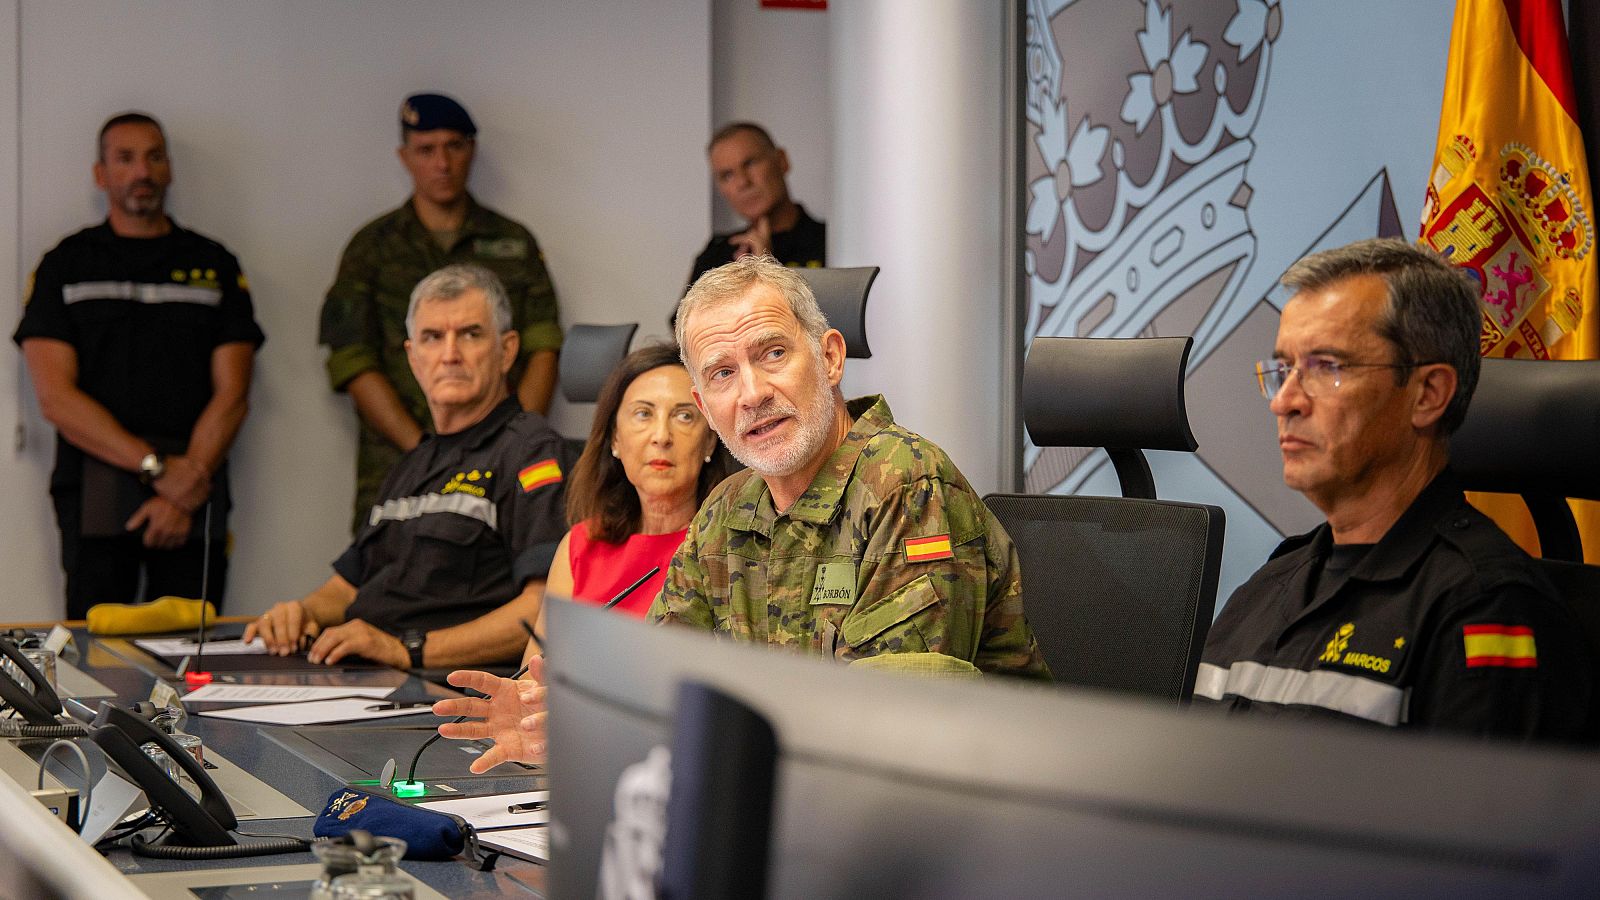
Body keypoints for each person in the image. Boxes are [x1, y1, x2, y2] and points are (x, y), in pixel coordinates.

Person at [432, 256, 1049, 772]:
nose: (751, 393)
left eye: (773, 353)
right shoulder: (728, 510)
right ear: (705, 404)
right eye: (723, 374)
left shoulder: (906, 484)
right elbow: (658, 686)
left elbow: (890, 733)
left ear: (830, 358)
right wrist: (570, 729)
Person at [1194, 237, 1591, 741]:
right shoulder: (1265, 588)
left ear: (1427, 395)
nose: (1286, 401)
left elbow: (1478, 817)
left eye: (1327, 368)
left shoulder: (1487, 608)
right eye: (1283, 370)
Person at [246, 265, 569, 670]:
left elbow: (546, 610)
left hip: (440, 695)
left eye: (470, 334)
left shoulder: (530, 452)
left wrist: (408, 649)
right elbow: (347, 587)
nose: (450, 355)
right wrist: (299, 613)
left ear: (506, 351)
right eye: (432, 338)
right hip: (363, 678)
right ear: (413, 358)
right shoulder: (413, 464)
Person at [14, 112, 263, 619]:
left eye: (153, 157)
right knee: (91, 652)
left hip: (197, 481)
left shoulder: (214, 264)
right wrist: (154, 470)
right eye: (124, 159)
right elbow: (55, 397)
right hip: (95, 485)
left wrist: (183, 487)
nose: (141, 172)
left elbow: (233, 393)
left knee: (195, 654)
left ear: (169, 168)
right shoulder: (65, 264)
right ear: (100, 174)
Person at [320, 92, 563, 533]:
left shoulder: (513, 242)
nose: (442, 163)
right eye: (426, 150)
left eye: (454, 146)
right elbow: (353, 361)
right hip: (396, 459)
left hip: (499, 467)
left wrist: (509, 443)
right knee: (382, 582)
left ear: (471, 150)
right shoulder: (371, 248)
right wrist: (426, 450)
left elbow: (543, 348)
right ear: (405, 156)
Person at [542, 343, 735, 620]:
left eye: (684, 416)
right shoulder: (580, 545)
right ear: (615, 439)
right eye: (644, 413)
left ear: (709, 441)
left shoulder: (729, 550)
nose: (661, 436)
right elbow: (538, 661)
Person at [687, 123, 824, 289]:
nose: (743, 182)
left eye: (750, 163)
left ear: (782, 161)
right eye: (727, 175)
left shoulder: (830, 241)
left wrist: (767, 271)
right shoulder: (715, 257)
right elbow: (686, 316)